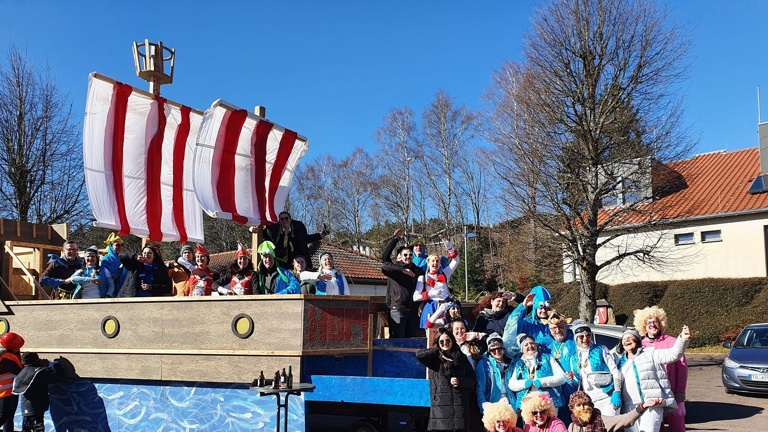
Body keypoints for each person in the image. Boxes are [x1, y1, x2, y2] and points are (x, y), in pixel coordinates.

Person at [615, 327, 691, 432]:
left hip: (652, 404)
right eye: (624, 339)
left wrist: (682, 339)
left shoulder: (650, 353)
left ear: (637, 340)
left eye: (630, 337)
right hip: (629, 407)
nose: (627, 340)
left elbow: (673, 355)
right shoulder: (619, 362)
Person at [634, 306, 688, 432]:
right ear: (643, 326)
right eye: (648, 323)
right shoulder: (640, 345)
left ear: (661, 323)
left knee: (678, 427)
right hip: (653, 396)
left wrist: (680, 390)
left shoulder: (672, 342)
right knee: (657, 427)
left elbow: (682, 367)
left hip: (672, 393)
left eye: (655, 322)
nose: (652, 325)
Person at [416, 326, 480, 432]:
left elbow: (472, 379)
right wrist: (437, 351)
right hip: (441, 408)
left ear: (452, 342)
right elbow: (419, 355)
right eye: (442, 342)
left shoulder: (461, 358)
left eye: (447, 341)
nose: (445, 343)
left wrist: (460, 382)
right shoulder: (434, 360)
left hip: (459, 407)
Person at [571, 320, 622, 417]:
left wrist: (617, 391)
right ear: (576, 338)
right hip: (589, 402)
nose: (585, 338)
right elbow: (578, 382)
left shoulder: (601, 349)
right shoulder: (574, 358)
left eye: (588, 335)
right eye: (581, 336)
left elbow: (615, 372)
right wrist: (570, 379)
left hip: (607, 397)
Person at [509, 334, 567, 415]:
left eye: (532, 343)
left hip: (547, 401)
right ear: (522, 350)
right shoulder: (519, 364)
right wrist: (524, 383)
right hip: (529, 402)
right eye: (526, 345)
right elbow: (511, 384)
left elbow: (562, 377)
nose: (530, 346)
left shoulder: (547, 358)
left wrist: (543, 382)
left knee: (550, 425)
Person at [381, 230, 424, 338]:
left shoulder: (418, 271)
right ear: (400, 256)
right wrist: (395, 239)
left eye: (410, 254)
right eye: (405, 254)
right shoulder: (395, 270)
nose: (408, 256)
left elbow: (430, 282)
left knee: (413, 339)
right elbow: (384, 262)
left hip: (413, 311)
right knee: (398, 339)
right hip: (398, 309)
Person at [539, 310, 578, 425]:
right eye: (553, 328)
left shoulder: (576, 341)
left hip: (574, 389)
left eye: (560, 326)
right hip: (556, 392)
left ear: (565, 325)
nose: (557, 330)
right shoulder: (545, 344)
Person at [414, 236, 460, 329]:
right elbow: (415, 297)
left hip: (446, 306)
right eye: (433, 261)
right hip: (432, 307)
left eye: (437, 261)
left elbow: (456, 260)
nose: (435, 263)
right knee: (431, 335)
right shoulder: (423, 278)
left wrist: (448, 246)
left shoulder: (445, 273)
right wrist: (430, 294)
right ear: (428, 263)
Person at [11, 352, 64, 432]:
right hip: (36, 408)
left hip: (26, 408)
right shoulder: (38, 373)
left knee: (26, 429)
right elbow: (56, 377)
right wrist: (56, 366)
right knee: (38, 429)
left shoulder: (23, 372)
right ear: (35, 361)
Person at [567, 391, 663, 432]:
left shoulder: (602, 420)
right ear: (573, 409)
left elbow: (625, 420)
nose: (583, 407)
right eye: (579, 405)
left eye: (585, 404)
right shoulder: (572, 426)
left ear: (591, 406)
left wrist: (643, 406)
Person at [259, 211, 327, 269]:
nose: (284, 220)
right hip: (279, 259)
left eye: (286, 218)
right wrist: (251, 229)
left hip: (295, 259)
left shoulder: (298, 229)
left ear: (290, 219)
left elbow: (306, 238)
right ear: (279, 221)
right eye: (282, 219)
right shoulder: (273, 230)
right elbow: (261, 233)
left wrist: (321, 235)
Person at [476, 333, 516, 414]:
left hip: (511, 403)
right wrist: (483, 406)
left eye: (499, 348)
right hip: (492, 404)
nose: (497, 352)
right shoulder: (484, 364)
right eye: (493, 350)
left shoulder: (512, 362)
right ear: (489, 351)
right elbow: (480, 388)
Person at [0, 333, 23, 432]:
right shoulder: (8, 357)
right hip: (6, 393)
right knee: (3, 418)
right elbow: (20, 373)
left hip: (7, 392)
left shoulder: (3, 355)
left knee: (8, 418)